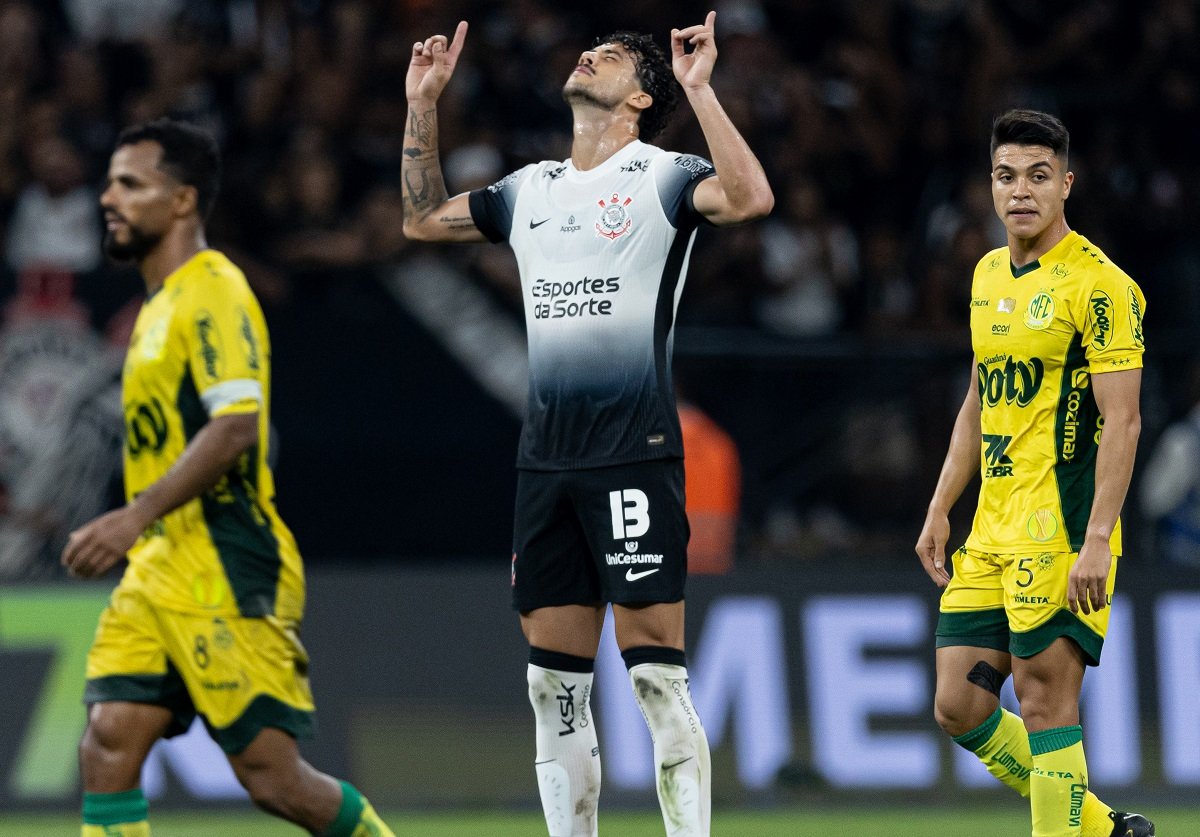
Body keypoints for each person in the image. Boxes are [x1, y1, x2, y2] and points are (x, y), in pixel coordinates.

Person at [401, 13, 772, 836]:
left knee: (655, 682)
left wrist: (703, 89)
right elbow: (422, 221)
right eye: (589, 47)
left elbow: (750, 197)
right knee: (552, 687)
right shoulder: (529, 189)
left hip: (631, 454)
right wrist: (423, 105)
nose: (589, 52)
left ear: (641, 95)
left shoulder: (663, 174)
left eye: (612, 56)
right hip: (547, 464)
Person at [61, 118, 393, 837]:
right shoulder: (158, 305)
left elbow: (236, 425)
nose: (107, 197)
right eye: (110, 181)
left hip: (223, 559)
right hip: (159, 566)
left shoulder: (214, 289)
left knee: (274, 780)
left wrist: (130, 515)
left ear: (182, 201)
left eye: (130, 184)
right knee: (108, 742)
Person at [914, 109, 1153, 837]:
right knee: (958, 705)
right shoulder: (988, 273)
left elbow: (1125, 420)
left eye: (1039, 177)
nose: (1021, 191)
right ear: (991, 185)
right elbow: (981, 394)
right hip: (991, 529)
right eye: (1007, 176)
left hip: (1062, 527)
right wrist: (940, 503)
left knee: (1047, 705)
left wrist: (1098, 539)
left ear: (1066, 185)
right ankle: (1104, 828)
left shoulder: (1102, 287)